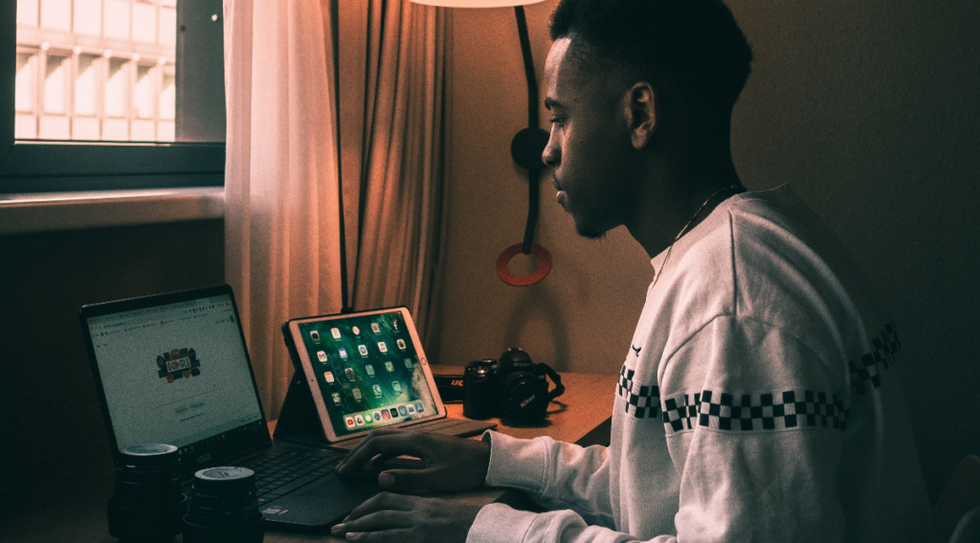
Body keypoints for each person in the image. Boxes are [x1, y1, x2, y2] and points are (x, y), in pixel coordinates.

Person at [331, 0, 934, 541]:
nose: (546, 149)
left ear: (640, 113)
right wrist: (493, 460)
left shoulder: (732, 299)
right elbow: (659, 483)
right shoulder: (739, 247)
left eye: (561, 117)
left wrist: (490, 528)